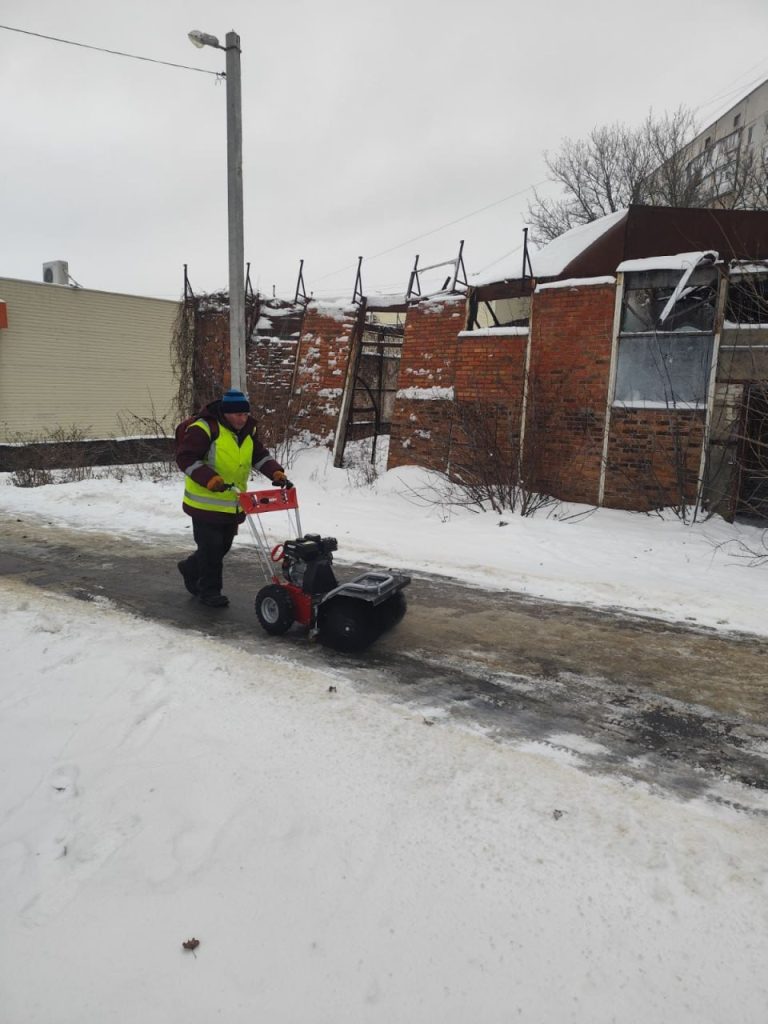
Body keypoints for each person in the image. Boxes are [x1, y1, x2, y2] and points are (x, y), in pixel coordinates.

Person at [176, 389, 292, 607]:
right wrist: (209, 478)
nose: (243, 418)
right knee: (211, 548)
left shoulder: (247, 430)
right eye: (238, 414)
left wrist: (275, 472)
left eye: (245, 414)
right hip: (204, 502)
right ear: (226, 414)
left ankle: (190, 567)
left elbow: (258, 455)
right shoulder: (204, 429)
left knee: (222, 546)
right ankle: (209, 592)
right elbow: (185, 457)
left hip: (233, 502)